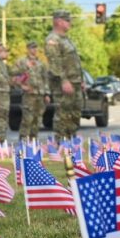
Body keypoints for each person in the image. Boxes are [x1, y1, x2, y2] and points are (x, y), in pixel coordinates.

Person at [45, 9, 84, 140]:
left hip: (75, 82)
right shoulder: (53, 40)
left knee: (74, 115)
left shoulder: (66, 39)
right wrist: (64, 81)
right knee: (63, 115)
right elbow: (55, 62)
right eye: (67, 20)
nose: (70, 23)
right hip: (63, 85)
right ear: (59, 21)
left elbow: (74, 62)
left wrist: (81, 80)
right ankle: (61, 145)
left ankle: (71, 143)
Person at [11, 40, 50, 140]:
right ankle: (23, 141)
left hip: (39, 94)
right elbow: (13, 76)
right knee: (27, 119)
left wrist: (47, 94)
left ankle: (33, 141)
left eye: (36, 48)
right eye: (32, 48)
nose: (34, 50)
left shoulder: (40, 63)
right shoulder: (22, 62)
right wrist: (21, 86)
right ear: (28, 49)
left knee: (37, 119)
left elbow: (45, 78)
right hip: (29, 95)